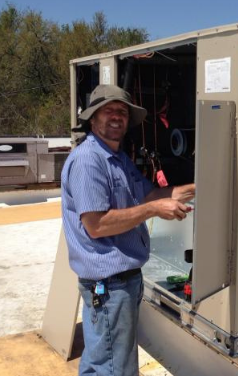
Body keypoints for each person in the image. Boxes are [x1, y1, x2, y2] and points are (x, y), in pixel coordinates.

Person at [61, 84, 195, 376]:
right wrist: (153, 211)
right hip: (109, 285)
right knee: (110, 368)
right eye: (108, 110)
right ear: (93, 119)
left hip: (123, 282)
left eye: (122, 111)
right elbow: (96, 225)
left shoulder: (118, 159)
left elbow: (148, 196)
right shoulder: (88, 160)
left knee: (113, 362)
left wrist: (199, 186)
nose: (116, 116)